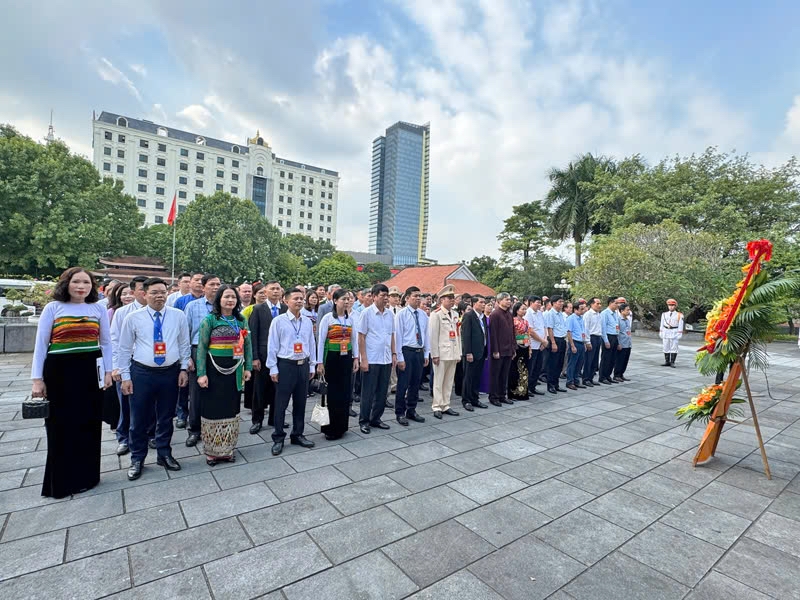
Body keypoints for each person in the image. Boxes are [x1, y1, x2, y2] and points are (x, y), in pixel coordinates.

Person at [30, 268, 113, 498]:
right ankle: (62, 482)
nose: (81, 286)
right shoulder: (53, 308)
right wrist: (37, 380)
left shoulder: (98, 308)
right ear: (66, 283)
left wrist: (108, 371)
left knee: (89, 423)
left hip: (90, 371)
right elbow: (40, 346)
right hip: (59, 372)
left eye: (86, 282)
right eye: (76, 281)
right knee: (60, 426)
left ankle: (87, 477)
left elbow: (105, 343)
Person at [119, 277, 190, 480]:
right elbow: (124, 349)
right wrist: (125, 376)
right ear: (144, 294)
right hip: (142, 373)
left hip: (170, 372)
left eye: (162, 292)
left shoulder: (178, 316)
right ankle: (137, 458)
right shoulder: (133, 318)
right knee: (139, 418)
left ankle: (164, 453)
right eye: (154, 292)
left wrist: (184, 368)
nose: (159, 296)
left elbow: (184, 344)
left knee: (166, 417)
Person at [196, 285, 252, 465]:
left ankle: (227, 449)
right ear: (219, 299)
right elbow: (202, 348)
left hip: (235, 370)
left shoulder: (241, 320)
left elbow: (248, 346)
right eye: (226, 296)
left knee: (231, 409)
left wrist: (248, 368)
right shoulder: (210, 320)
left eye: (233, 297)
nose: (230, 300)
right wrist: (201, 373)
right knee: (213, 410)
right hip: (214, 372)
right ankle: (212, 451)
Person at [267, 288, 316, 455]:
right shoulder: (279, 321)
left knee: (301, 402)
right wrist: (273, 367)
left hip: (303, 365)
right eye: (295, 298)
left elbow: (311, 344)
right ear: (286, 301)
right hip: (285, 366)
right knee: (281, 404)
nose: (299, 301)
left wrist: (312, 365)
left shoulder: (308, 321)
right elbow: (272, 346)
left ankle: (298, 434)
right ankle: (278, 437)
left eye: (301, 298)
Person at [110, 275, 148, 456]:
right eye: (143, 288)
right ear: (133, 292)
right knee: (125, 403)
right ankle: (124, 438)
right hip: (128, 362)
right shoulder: (122, 313)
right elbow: (114, 341)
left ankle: (149, 434)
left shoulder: (161, 311)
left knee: (149, 403)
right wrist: (117, 366)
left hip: (149, 365)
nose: (146, 292)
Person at [183, 274, 221, 446]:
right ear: (203, 286)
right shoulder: (192, 306)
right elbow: (184, 334)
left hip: (219, 352)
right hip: (197, 350)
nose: (215, 287)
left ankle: (214, 426)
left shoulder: (224, 306)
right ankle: (194, 429)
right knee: (197, 392)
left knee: (216, 391)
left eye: (218, 284)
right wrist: (186, 358)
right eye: (212, 284)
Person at [316, 289, 359, 439]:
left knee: (345, 392)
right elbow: (321, 341)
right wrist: (319, 362)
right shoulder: (328, 318)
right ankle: (331, 429)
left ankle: (342, 426)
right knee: (333, 393)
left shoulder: (351, 319)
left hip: (346, 357)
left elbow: (354, 340)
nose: (346, 302)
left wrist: (356, 358)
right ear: (335, 301)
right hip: (332, 358)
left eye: (348, 299)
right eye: (343, 299)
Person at [356, 283, 396, 433]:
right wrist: (363, 359)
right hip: (371, 359)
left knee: (382, 392)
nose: (385, 298)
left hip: (385, 359)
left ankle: (376, 418)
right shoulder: (366, 313)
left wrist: (394, 354)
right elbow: (361, 337)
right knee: (368, 392)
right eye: (382, 295)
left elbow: (392, 335)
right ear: (373, 296)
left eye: (387, 295)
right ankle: (364, 421)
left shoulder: (390, 314)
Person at [393, 286, 429, 425]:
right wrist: (400, 357)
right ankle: (400, 412)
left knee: (415, 383)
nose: (418, 298)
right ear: (407, 298)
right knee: (403, 384)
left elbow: (426, 334)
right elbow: (398, 336)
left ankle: (411, 410)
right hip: (406, 351)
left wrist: (426, 353)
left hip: (419, 352)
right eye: (415, 296)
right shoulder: (401, 314)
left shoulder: (423, 314)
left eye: (419, 296)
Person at [428, 285, 461, 419]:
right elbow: (433, 336)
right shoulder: (436, 314)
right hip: (441, 353)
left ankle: (446, 404)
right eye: (449, 298)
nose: (452, 301)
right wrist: (434, 354)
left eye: (453, 298)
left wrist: (459, 352)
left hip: (452, 352)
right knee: (439, 381)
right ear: (441, 300)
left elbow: (458, 335)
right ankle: (437, 406)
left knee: (448, 381)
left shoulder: (455, 314)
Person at [461, 294, 489, 411]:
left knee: (477, 376)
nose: (483, 304)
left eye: (484, 302)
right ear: (474, 304)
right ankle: (466, 400)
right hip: (471, 352)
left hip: (481, 351)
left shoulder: (482, 317)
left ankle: (475, 398)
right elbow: (466, 335)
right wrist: (468, 352)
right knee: (469, 377)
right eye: (481, 302)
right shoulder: (469, 316)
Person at [488, 292, 515, 406]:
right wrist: (495, 350)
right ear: (499, 301)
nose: (509, 301)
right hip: (499, 350)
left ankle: (502, 395)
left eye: (509, 300)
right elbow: (493, 334)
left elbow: (512, 332)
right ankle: (493, 396)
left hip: (508, 349)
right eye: (506, 299)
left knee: (504, 374)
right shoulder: (495, 315)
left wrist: (514, 348)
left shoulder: (509, 314)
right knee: (496, 374)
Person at [544, 295, 568, 394]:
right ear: (553, 303)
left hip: (562, 339)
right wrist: (553, 343)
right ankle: (551, 385)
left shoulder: (562, 314)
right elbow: (550, 329)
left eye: (562, 302)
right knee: (553, 364)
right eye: (559, 302)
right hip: (555, 339)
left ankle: (556, 383)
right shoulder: (550, 314)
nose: (562, 304)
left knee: (559, 363)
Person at [508, 301, 531, 400]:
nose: (524, 311)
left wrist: (529, 348)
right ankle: (513, 393)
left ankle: (523, 392)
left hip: (525, 346)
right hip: (516, 346)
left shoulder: (525, 321)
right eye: (522, 309)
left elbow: (528, 335)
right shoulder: (513, 321)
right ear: (516, 310)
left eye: (525, 309)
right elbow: (512, 335)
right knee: (514, 370)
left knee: (524, 370)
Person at [524, 296, 547, 396]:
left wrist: (544, 341)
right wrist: (542, 340)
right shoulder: (528, 313)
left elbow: (544, 327)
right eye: (537, 302)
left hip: (540, 345)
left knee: (538, 367)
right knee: (530, 368)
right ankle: (527, 388)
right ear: (531, 303)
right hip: (532, 345)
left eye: (540, 302)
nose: (539, 304)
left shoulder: (540, 313)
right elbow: (531, 331)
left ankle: (533, 387)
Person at [565, 300, 588, 390]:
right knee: (572, 363)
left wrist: (585, 342)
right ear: (575, 309)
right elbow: (569, 332)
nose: (583, 311)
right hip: (575, 342)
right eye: (581, 309)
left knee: (579, 363)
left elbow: (583, 331)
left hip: (581, 342)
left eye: (583, 309)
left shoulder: (581, 318)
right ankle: (570, 381)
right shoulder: (571, 318)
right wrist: (572, 345)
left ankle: (576, 380)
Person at [599, 297, 620, 384]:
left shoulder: (615, 314)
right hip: (608, 336)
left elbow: (617, 327)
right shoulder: (605, 313)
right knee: (606, 358)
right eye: (616, 303)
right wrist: (606, 340)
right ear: (610, 303)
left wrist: (618, 341)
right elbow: (603, 328)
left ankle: (608, 375)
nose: (618, 305)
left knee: (612, 358)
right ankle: (602, 376)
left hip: (615, 336)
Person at [582, 297, 602, 386]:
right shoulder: (588, 314)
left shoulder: (598, 314)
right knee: (588, 359)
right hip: (591, 337)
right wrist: (587, 341)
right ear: (591, 304)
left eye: (600, 303)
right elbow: (586, 329)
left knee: (595, 360)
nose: (599, 305)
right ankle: (586, 379)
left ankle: (591, 378)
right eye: (597, 303)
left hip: (598, 337)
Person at [386, 286, 402, 399]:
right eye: (394, 296)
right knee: (391, 364)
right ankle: (393, 384)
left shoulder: (401, 310)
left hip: (399, 340)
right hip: (390, 340)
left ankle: (397, 384)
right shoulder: (387, 310)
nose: (396, 298)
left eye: (397, 296)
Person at [659, 299, 684, 368]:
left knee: (674, 347)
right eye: (669, 305)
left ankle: (672, 362)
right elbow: (661, 324)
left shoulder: (679, 315)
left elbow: (680, 324)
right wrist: (661, 331)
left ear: (675, 306)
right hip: (666, 331)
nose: (671, 307)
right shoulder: (664, 314)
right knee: (665, 346)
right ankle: (667, 361)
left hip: (674, 331)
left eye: (672, 305)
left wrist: (680, 333)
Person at [614, 303, 633, 382]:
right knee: (620, 360)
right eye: (627, 310)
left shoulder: (627, 320)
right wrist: (618, 343)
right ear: (622, 311)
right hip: (622, 343)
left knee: (625, 360)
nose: (629, 311)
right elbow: (617, 333)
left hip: (628, 343)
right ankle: (617, 375)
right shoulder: (618, 320)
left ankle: (621, 374)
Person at [479, 299, 494, 394]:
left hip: (492, 341)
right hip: (484, 342)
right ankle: (482, 387)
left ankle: (490, 386)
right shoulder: (482, 317)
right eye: (488, 305)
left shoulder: (493, 317)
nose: (489, 307)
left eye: (491, 305)